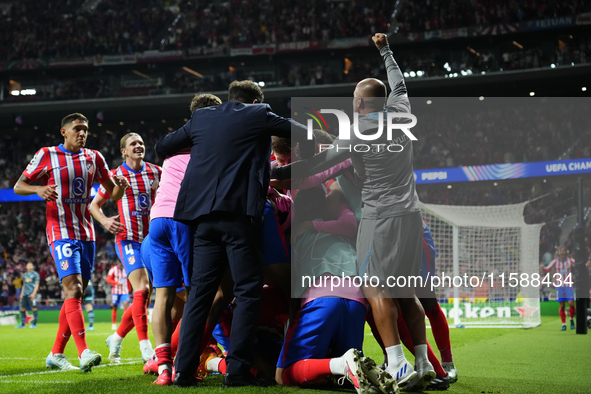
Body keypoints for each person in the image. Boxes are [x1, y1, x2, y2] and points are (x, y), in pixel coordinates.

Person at [272, 33, 435, 390]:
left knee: (376, 289)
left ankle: (399, 365)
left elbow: (313, 166)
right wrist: (386, 50)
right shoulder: (402, 114)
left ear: (360, 103)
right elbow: (399, 84)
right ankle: (423, 363)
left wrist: (273, 173)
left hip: (380, 220)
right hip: (412, 216)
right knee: (405, 291)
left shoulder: (356, 132)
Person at [154, 80, 312, 388]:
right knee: (248, 291)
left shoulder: (201, 118)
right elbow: (298, 129)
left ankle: (183, 371)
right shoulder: (258, 114)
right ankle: (237, 371)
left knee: (200, 294)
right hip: (240, 217)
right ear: (254, 101)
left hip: (202, 219)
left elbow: (162, 146)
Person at [13, 112, 128, 372]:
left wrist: (120, 185)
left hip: (86, 234)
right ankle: (83, 351)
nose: (82, 133)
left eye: (85, 129)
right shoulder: (47, 154)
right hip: (60, 231)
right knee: (74, 290)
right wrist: (38, 189)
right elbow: (19, 186)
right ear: (63, 131)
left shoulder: (95, 157)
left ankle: (56, 353)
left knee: (73, 295)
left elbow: (113, 193)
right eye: (77, 128)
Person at [148, 93, 222, 386]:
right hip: (181, 220)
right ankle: (192, 358)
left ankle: (163, 367)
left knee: (163, 296)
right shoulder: (207, 146)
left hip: (157, 221)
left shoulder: (173, 146)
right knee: (198, 293)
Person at [90, 132, 161, 363]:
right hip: (127, 238)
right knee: (141, 289)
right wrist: (105, 221)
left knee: (145, 293)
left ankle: (117, 338)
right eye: (133, 144)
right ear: (124, 151)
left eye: (141, 142)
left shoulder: (156, 171)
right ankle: (145, 346)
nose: (139, 146)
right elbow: (94, 206)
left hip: (152, 240)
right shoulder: (115, 175)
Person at [542, 245, 576, 330]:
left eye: (564, 250)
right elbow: (547, 269)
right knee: (562, 306)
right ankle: (564, 324)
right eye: (561, 251)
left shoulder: (571, 261)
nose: (562, 252)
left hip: (568, 286)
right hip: (559, 287)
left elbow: (579, 265)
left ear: (566, 252)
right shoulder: (554, 261)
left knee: (571, 304)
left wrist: (587, 264)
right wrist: (542, 267)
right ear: (558, 253)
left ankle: (571, 319)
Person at [15, 262, 40, 329]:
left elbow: (37, 284)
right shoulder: (25, 275)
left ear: (33, 266)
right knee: (22, 308)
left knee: (34, 308)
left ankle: (34, 324)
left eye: (30, 265)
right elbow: (24, 285)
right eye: (28, 265)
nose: (29, 266)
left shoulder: (35, 274)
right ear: (26, 266)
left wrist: (34, 294)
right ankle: (22, 324)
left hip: (31, 294)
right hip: (24, 294)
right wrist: (21, 294)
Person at [107, 260, 129, 331]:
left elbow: (129, 279)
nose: (121, 265)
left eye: (122, 264)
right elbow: (108, 280)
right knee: (114, 307)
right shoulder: (112, 269)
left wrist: (130, 288)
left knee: (125, 304)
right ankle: (114, 324)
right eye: (120, 264)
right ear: (118, 263)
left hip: (125, 291)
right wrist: (116, 283)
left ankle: (124, 323)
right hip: (115, 291)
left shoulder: (127, 268)